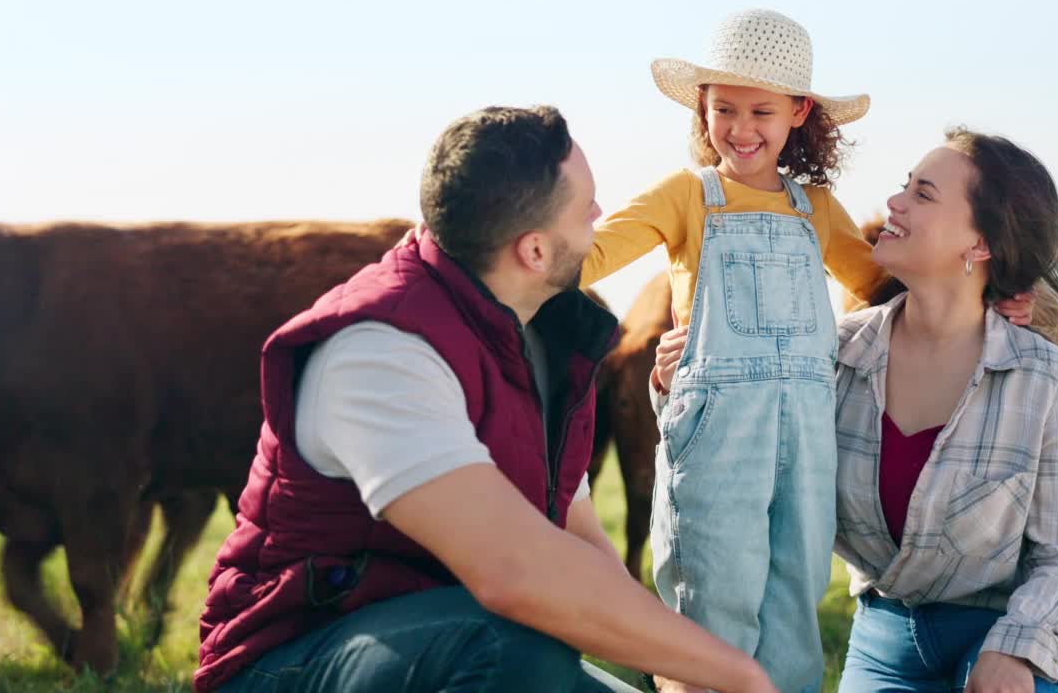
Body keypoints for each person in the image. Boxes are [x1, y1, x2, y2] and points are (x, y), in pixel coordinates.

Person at [193, 106, 778, 693]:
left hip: (453, 643)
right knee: (513, 652)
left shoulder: (545, 339)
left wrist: (680, 676)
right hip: (293, 660)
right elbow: (514, 573)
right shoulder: (381, 351)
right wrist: (744, 678)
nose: (601, 216)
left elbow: (578, 543)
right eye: (585, 208)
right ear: (535, 252)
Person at [578, 9, 1032, 692]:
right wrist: (510, 237)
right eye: (722, 107)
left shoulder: (814, 208)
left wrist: (990, 294)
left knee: (794, 595)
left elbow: (884, 286)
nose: (739, 127)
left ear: (799, 112)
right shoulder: (685, 196)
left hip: (807, 438)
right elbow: (589, 257)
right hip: (716, 436)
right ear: (701, 109)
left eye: (761, 110)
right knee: (713, 599)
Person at [654, 129, 1058, 692]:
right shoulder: (825, 357)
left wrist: (1016, 652)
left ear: (980, 245)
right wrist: (690, 384)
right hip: (889, 640)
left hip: (1027, 627)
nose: (895, 203)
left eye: (923, 195)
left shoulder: (1047, 381)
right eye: (906, 187)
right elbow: (737, 472)